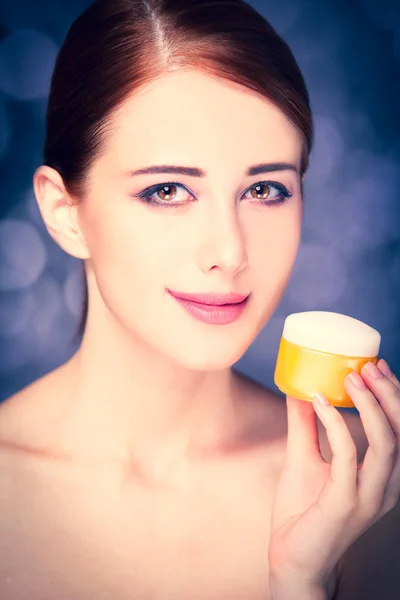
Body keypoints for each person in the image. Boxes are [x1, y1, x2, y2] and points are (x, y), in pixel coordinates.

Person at [0, 0, 399, 598]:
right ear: (65, 213)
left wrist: (301, 581)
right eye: (166, 190)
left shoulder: (364, 486)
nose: (230, 251)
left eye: (265, 189)